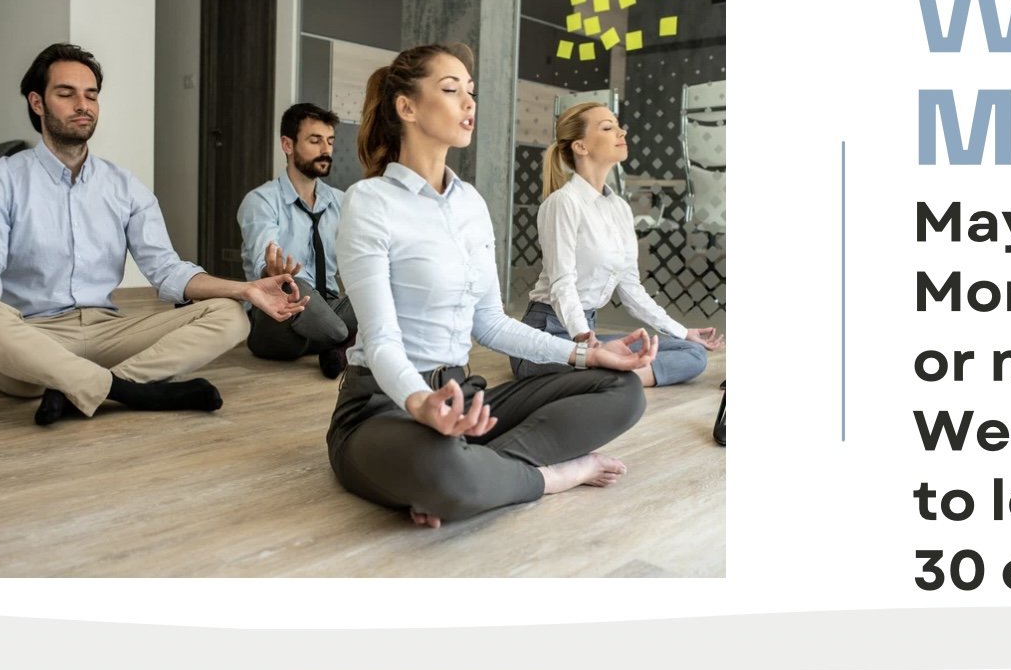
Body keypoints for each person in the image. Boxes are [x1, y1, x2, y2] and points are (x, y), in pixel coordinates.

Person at [328, 43, 656, 528]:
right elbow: (379, 339)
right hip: (383, 408)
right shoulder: (370, 201)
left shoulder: (471, 204)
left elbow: (491, 322)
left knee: (623, 390)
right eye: (451, 89)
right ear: (407, 107)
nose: (469, 103)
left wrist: (587, 353)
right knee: (439, 464)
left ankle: (474, 476)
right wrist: (420, 403)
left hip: (464, 398)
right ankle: (547, 477)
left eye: (471, 92)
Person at [0, 43, 306, 426]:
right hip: (32, 335)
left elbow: (168, 271)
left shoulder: (125, 186)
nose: (82, 105)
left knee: (230, 315)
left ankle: (81, 386)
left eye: (91, 95)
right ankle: (131, 390)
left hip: (107, 333)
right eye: (66, 93)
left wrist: (246, 289)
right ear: (37, 103)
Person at [523, 102, 725, 388]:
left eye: (618, 125)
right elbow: (561, 284)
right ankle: (607, 378)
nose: (621, 131)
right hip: (547, 337)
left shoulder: (619, 207)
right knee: (659, 359)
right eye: (608, 127)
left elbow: (631, 288)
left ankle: (605, 378)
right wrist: (584, 339)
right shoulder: (563, 203)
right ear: (581, 147)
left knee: (691, 353)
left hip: (585, 333)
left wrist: (681, 331)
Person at [239, 103, 356, 377]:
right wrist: (273, 273)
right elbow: (265, 263)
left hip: (328, 306)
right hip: (279, 317)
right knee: (293, 283)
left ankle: (331, 339)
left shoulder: (342, 201)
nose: (325, 149)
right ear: (287, 145)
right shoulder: (261, 201)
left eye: (329, 141)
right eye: (315, 140)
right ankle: (343, 342)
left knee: (384, 287)